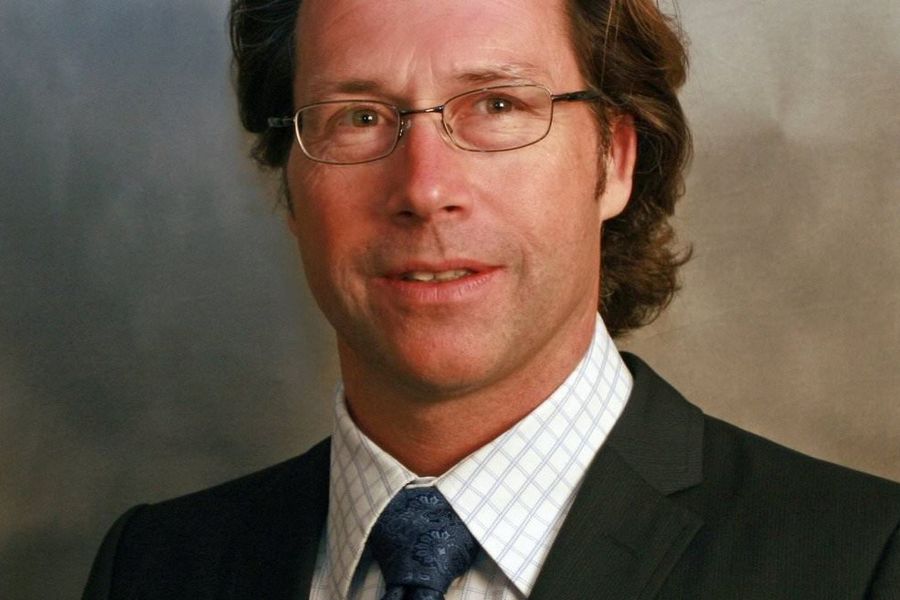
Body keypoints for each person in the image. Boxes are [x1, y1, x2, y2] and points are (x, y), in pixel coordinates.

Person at [83, 0, 900, 598]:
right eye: (358, 117)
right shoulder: (154, 568)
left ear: (614, 160)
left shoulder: (864, 563)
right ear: (291, 184)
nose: (425, 188)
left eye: (499, 106)